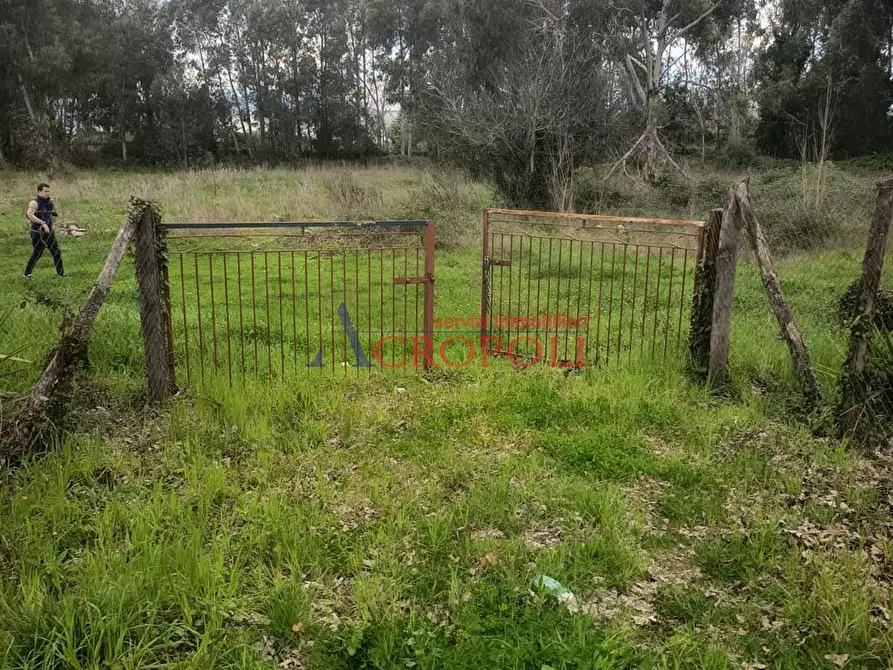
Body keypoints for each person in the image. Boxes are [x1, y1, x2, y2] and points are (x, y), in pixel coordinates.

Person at [23, 182, 65, 278]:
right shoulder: (34, 202)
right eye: (45, 191)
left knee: (56, 252)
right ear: (39, 191)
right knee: (37, 253)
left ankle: (61, 274)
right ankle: (27, 274)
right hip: (38, 232)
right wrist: (42, 223)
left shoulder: (49, 201)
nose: (48, 193)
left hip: (49, 232)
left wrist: (53, 205)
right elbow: (29, 215)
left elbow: (54, 213)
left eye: (49, 191)